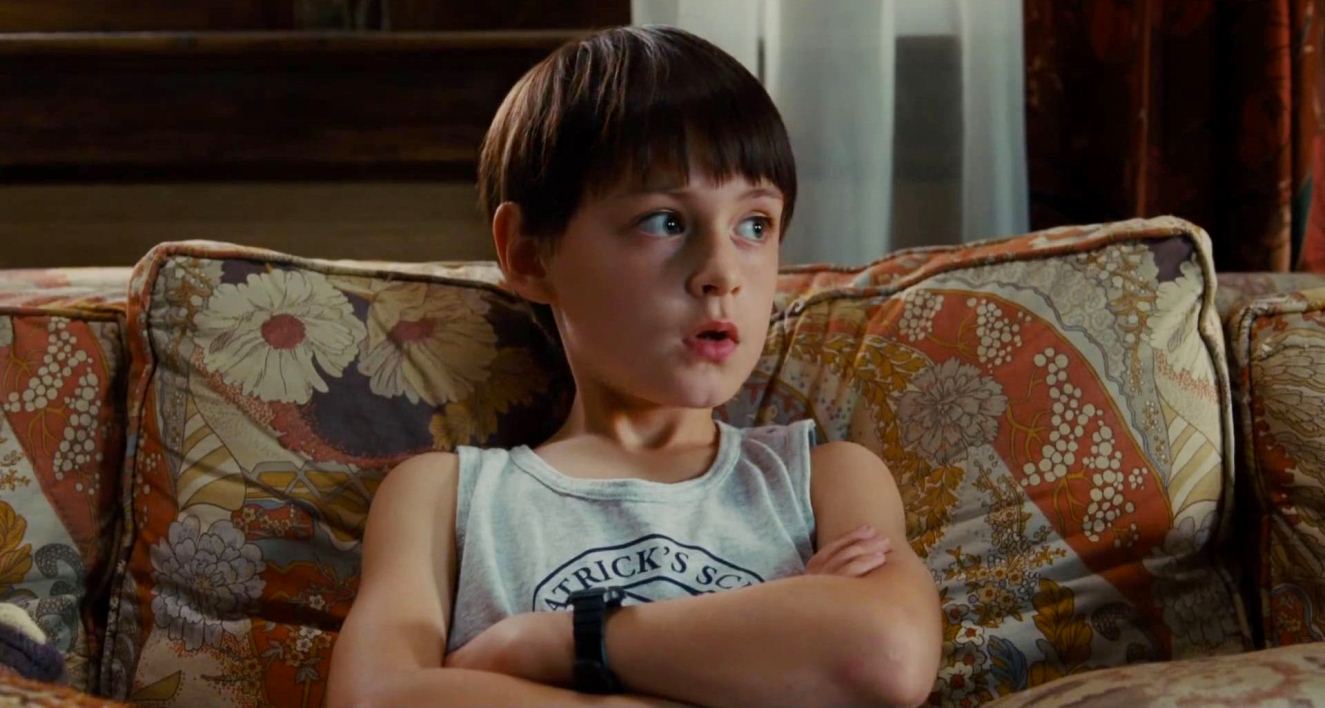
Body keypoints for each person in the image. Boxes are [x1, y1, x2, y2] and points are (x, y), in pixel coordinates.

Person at [327, 25, 941, 707]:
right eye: (665, 222)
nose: (722, 272)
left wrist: (552, 644)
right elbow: (374, 699)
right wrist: (783, 642)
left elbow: (889, 655)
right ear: (528, 254)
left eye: (754, 225)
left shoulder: (823, 480)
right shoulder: (448, 498)